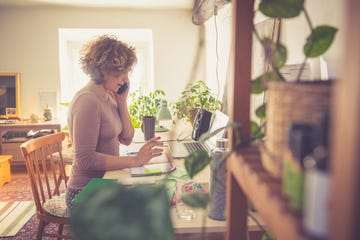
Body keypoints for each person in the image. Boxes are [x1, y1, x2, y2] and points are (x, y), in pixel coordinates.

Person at [65, 35, 163, 212]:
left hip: (106, 183)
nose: (124, 79)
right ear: (101, 70)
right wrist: (134, 160)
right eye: (118, 73)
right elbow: (84, 159)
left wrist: (122, 101)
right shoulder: (88, 101)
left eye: (126, 72)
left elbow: (126, 138)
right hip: (85, 192)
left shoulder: (110, 95)